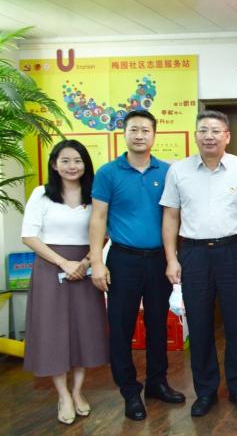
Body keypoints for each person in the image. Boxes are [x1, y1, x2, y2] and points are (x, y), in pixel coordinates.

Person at [161, 110, 237, 416]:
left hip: (232, 251)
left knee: (236, 322)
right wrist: (171, 259)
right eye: (203, 130)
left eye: (216, 131)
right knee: (200, 323)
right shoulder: (178, 171)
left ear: (227, 136)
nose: (209, 136)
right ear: (196, 135)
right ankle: (205, 391)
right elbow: (171, 216)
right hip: (193, 253)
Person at [89, 110, 185, 421]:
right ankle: (130, 391)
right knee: (121, 326)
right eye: (134, 129)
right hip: (123, 259)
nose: (140, 135)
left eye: (145, 130)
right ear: (125, 134)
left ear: (154, 135)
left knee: (158, 323)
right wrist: (96, 262)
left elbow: (174, 216)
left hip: (158, 259)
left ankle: (157, 383)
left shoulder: (168, 172)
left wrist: (173, 258)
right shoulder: (108, 172)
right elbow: (98, 218)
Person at [21, 140, 108, 425]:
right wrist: (63, 263)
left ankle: (78, 390)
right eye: (66, 161)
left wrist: (85, 262)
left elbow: (104, 233)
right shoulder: (41, 194)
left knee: (85, 330)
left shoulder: (95, 194)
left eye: (78, 161)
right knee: (53, 332)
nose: (72, 166)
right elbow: (29, 236)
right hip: (50, 268)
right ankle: (63, 395)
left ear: (86, 164)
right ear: (54, 164)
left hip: (85, 266)